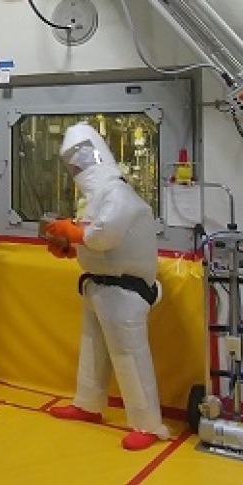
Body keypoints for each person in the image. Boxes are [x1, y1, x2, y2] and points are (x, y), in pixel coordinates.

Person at [42, 122, 169, 451]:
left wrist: (71, 233)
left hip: (125, 293)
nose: (74, 170)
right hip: (99, 288)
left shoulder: (116, 193)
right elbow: (97, 241)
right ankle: (88, 404)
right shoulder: (97, 197)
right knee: (93, 349)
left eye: (76, 163)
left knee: (129, 355)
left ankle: (148, 424)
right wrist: (70, 248)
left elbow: (103, 234)